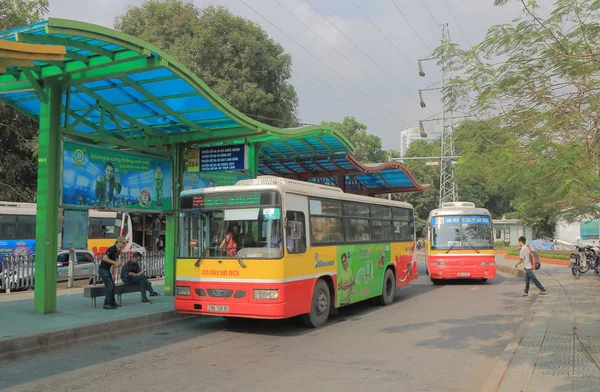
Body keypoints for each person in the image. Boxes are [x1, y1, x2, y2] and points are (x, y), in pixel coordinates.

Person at [99, 236, 126, 309]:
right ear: (119, 242)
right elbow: (104, 258)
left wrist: (118, 263)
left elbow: (115, 260)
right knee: (109, 286)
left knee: (112, 286)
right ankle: (107, 303)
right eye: (123, 243)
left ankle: (112, 302)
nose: (124, 244)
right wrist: (115, 263)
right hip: (103, 269)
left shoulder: (117, 251)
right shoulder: (112, 249)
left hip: (106, 270)